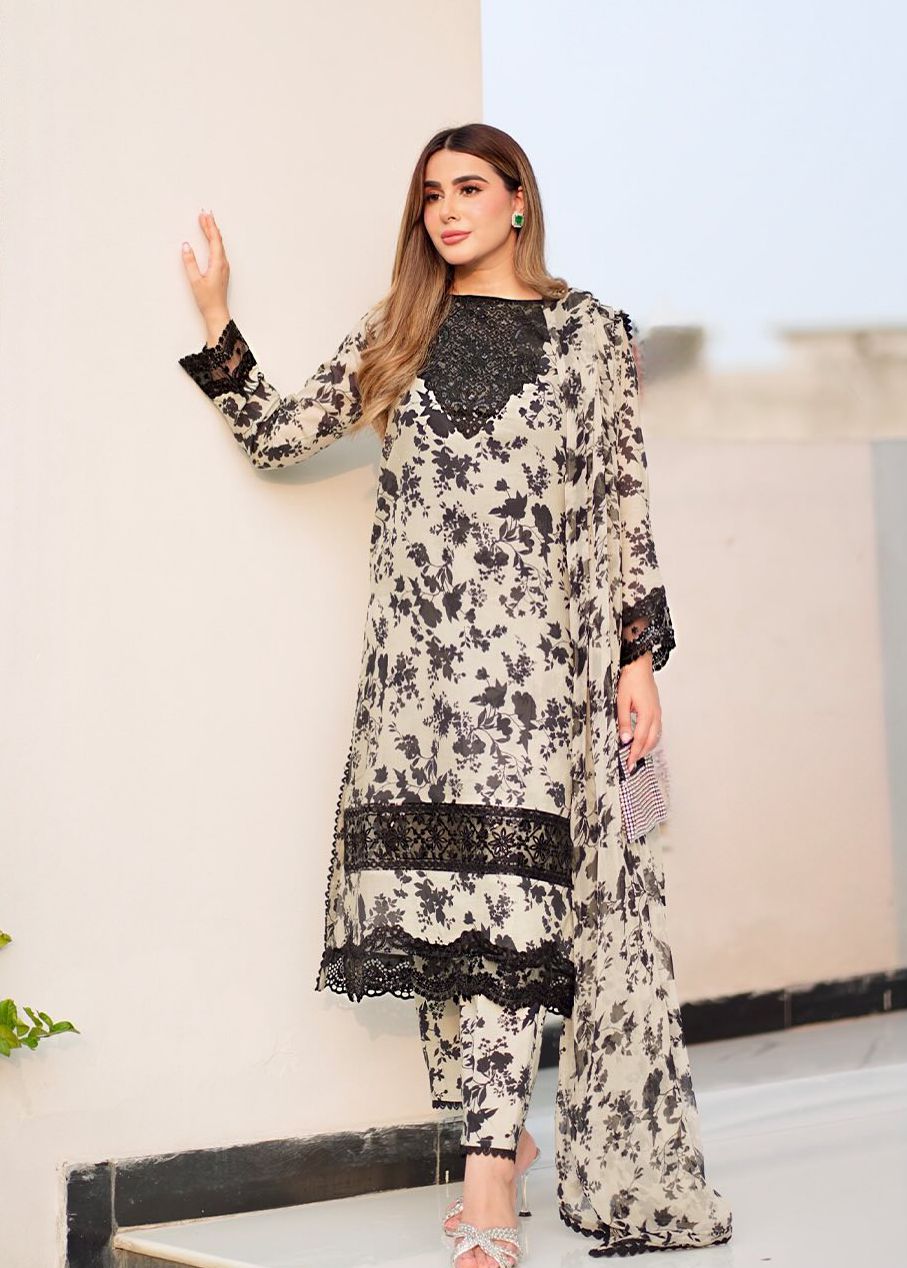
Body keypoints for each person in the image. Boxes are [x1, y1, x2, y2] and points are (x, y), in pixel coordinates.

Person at [178, 123, 732, 1266]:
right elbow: (281, 433)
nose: (445, 209)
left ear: (518, 200)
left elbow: (621, 502)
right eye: (430, 193)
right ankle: (500, 1134)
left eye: (468, 187)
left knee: (512, 915)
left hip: (535, 680)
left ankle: (485, 1182)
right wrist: (216, 317)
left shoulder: (588, 334)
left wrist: (634, 658)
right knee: (442, 912)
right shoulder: (399, 328)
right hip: (417, 682)